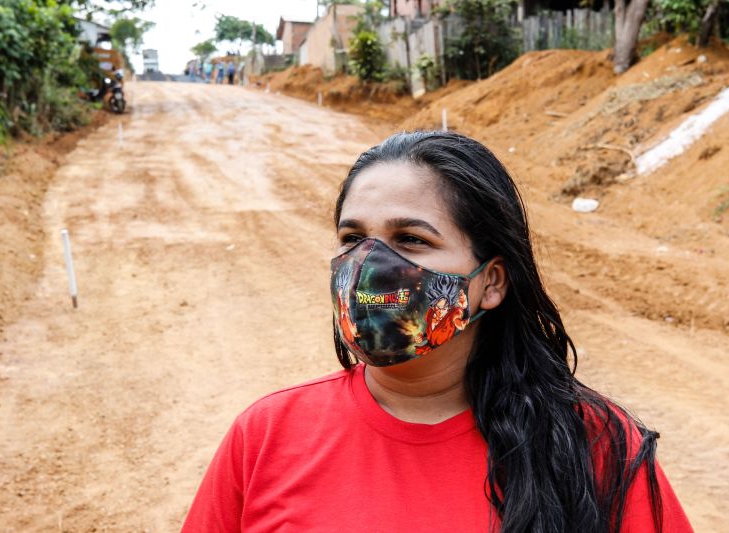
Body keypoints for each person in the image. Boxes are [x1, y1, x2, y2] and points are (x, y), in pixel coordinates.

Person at [181, 131, 694, 532]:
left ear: (490, 282)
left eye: (411, 239)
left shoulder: (592, 444)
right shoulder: (267, 435)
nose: (369, 265)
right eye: (352, 238)